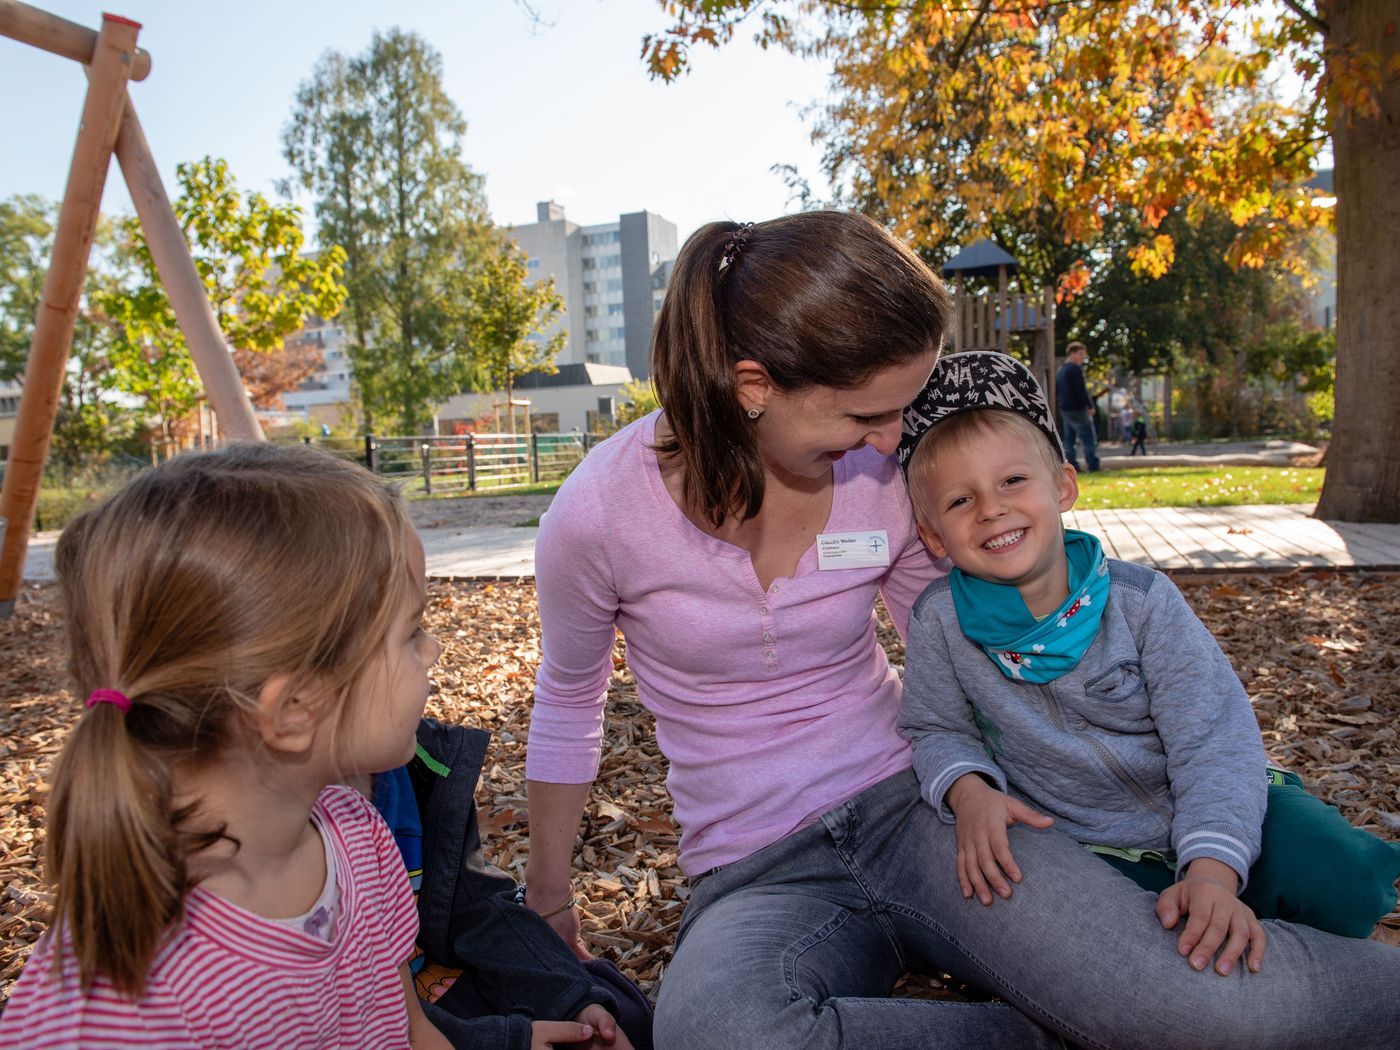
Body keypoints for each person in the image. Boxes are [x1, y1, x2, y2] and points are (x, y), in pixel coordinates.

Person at [525, 211, 1400, 1050]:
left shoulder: (877, 477)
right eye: (867, 415)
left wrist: (1067, 755)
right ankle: (1066, 1032)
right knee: (713, 1034)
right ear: (755, 388)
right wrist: (550, 894)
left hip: (931, 810)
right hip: (755, 869)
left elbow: (955, 639)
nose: (893, 437)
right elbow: (569, 698)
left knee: (1180, 995)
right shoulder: (599, 516)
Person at [0, 445, 596, 1050]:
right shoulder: (122, 1007)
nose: (434, 649)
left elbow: (407, 1032)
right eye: (412, 631)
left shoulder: (356, 839)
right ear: (293, 711)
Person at [896, 352, 1400, 975]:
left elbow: (1212, 738)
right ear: (934, 537)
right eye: (960, 499)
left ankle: (1296, 945)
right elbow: (935, 727)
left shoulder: (1141, 603)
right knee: (1091, 948)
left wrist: (1214, 871)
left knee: (1344, 884)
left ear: (1063, 486)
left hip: (1218, 803)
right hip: (1086, 840)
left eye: (1012, 482)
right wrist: (969, 791)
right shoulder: (940, 621)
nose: (991, 510)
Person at [361, 717, 651, 1050]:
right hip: (391, 1019)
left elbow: (472, 905)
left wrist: (571, 999)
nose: (427, 682)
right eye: (406, 664)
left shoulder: (414, 765)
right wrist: (507, 1039)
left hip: (435, 974)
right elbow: (365, 1013)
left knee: (619, 1016)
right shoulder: (316, 839)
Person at [1054, 341, 1101, 472]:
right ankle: (1093, 465)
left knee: (1069, 439)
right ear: (1072, 353)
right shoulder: (1075, 369)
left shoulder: (1061, 370)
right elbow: (1081, 390)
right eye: (1081, 354)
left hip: (1065, 409)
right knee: (1089, 438)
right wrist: (1090, 405)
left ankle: (1073, 466)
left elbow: (1057, 390)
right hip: (1078, 409)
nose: (1083, 357)